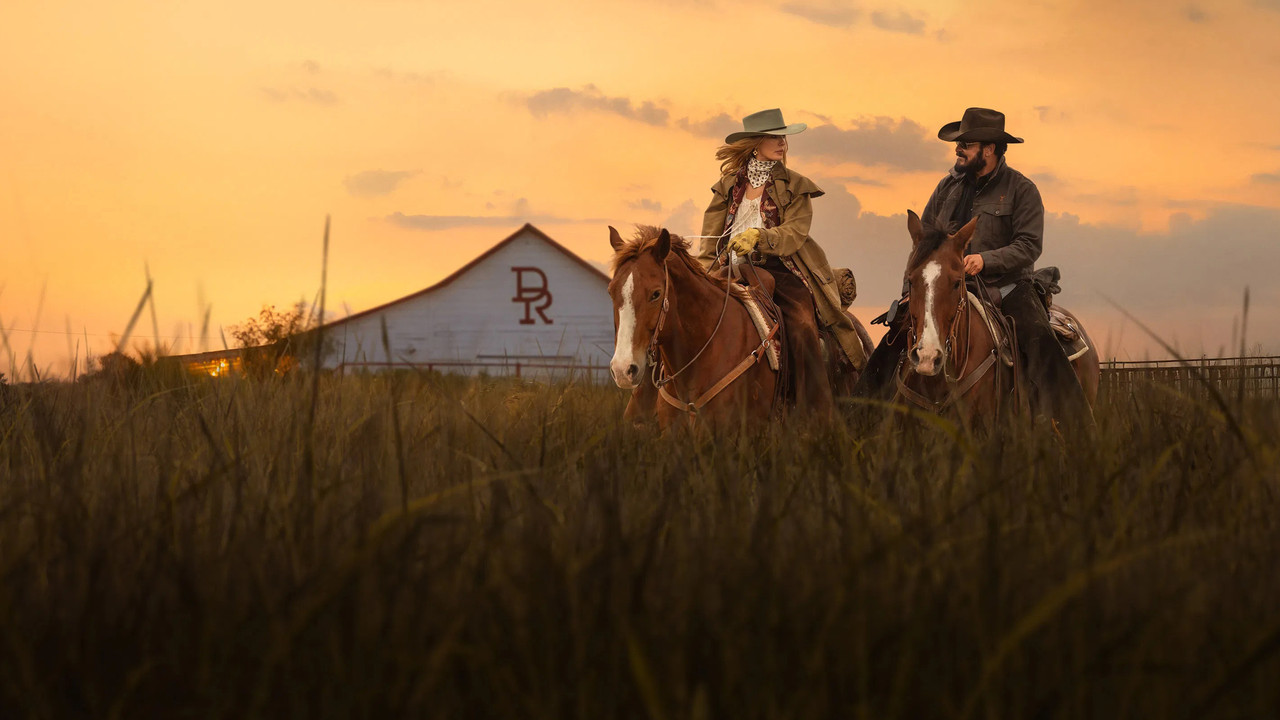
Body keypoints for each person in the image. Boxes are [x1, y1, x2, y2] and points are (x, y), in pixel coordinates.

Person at [854, 107, 1090, 423]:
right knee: (894, 337)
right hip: (946, 284)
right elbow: (922, 248)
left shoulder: (1022, 190)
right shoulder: (946, 187)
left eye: (967, 144)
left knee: (1037, 334)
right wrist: (911, 292)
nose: (958, 149)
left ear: (989, 149)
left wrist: (985, 260)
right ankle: (857, 422)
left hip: (1006, 285)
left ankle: (1072, 425)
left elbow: (1029, 245)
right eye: (959, 143)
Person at [693, 108, 867, 415]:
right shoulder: (725, 188)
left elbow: (795, 233)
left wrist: (760, 238)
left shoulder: (796, 186)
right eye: (775, 137)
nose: (783, 144)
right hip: (728, 271)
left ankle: (815, 415)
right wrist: (706, 276)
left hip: (781, 269)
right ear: (754, 143)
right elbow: (709, 240)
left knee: (801, 327)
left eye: (784, 137)